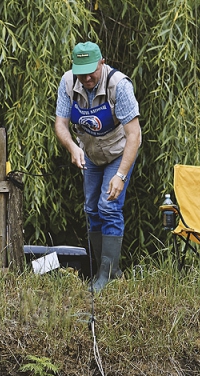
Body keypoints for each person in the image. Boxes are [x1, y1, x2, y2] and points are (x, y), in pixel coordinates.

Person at [54, 41, 141, 291]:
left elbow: (134, 135)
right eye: (81, 71)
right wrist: (73, 147)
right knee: (92, 209)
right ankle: (103, 271)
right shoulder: (68, 82)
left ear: (102, 62)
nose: (87, 77)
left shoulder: (119, 85)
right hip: (90, 153)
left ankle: (109, 275)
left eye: (91, 70)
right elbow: (60, 124)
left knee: (108, 206)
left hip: (118, 154)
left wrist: (121, 175)